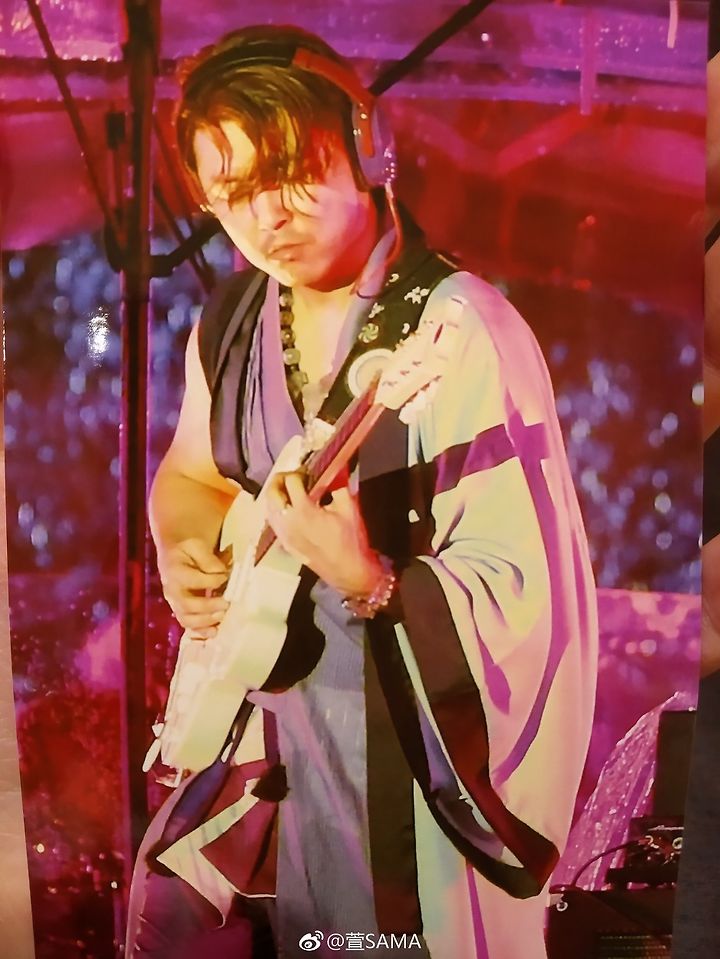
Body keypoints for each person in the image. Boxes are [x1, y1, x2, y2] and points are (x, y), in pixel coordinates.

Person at [125, 23, 598, 959]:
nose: (267, 217)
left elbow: (528, 590)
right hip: (255, 739)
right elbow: (191, 472)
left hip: (395, 754)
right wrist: (183, 545)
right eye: (234, 194)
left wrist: (373, 580)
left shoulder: (463, 330)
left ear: (368, 147)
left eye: (290, 175)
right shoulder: (230, 318)